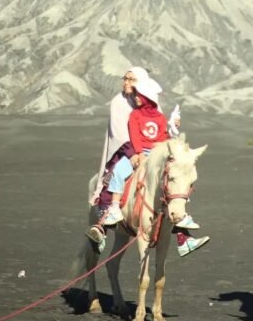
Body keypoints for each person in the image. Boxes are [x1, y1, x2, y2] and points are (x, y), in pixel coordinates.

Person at [87, 76, 210, 257]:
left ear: (148, 97)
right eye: (136, 94)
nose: (136, 97)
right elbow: (134, 135)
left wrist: (171, 131)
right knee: (119, 171)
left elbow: (162, 138)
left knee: (174, 179)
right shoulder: (135, 115)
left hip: (154, 156)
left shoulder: (159, 118)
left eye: (140, 94)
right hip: (139, 154)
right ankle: (111, 211)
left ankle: (183, 233)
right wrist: (137, 153)